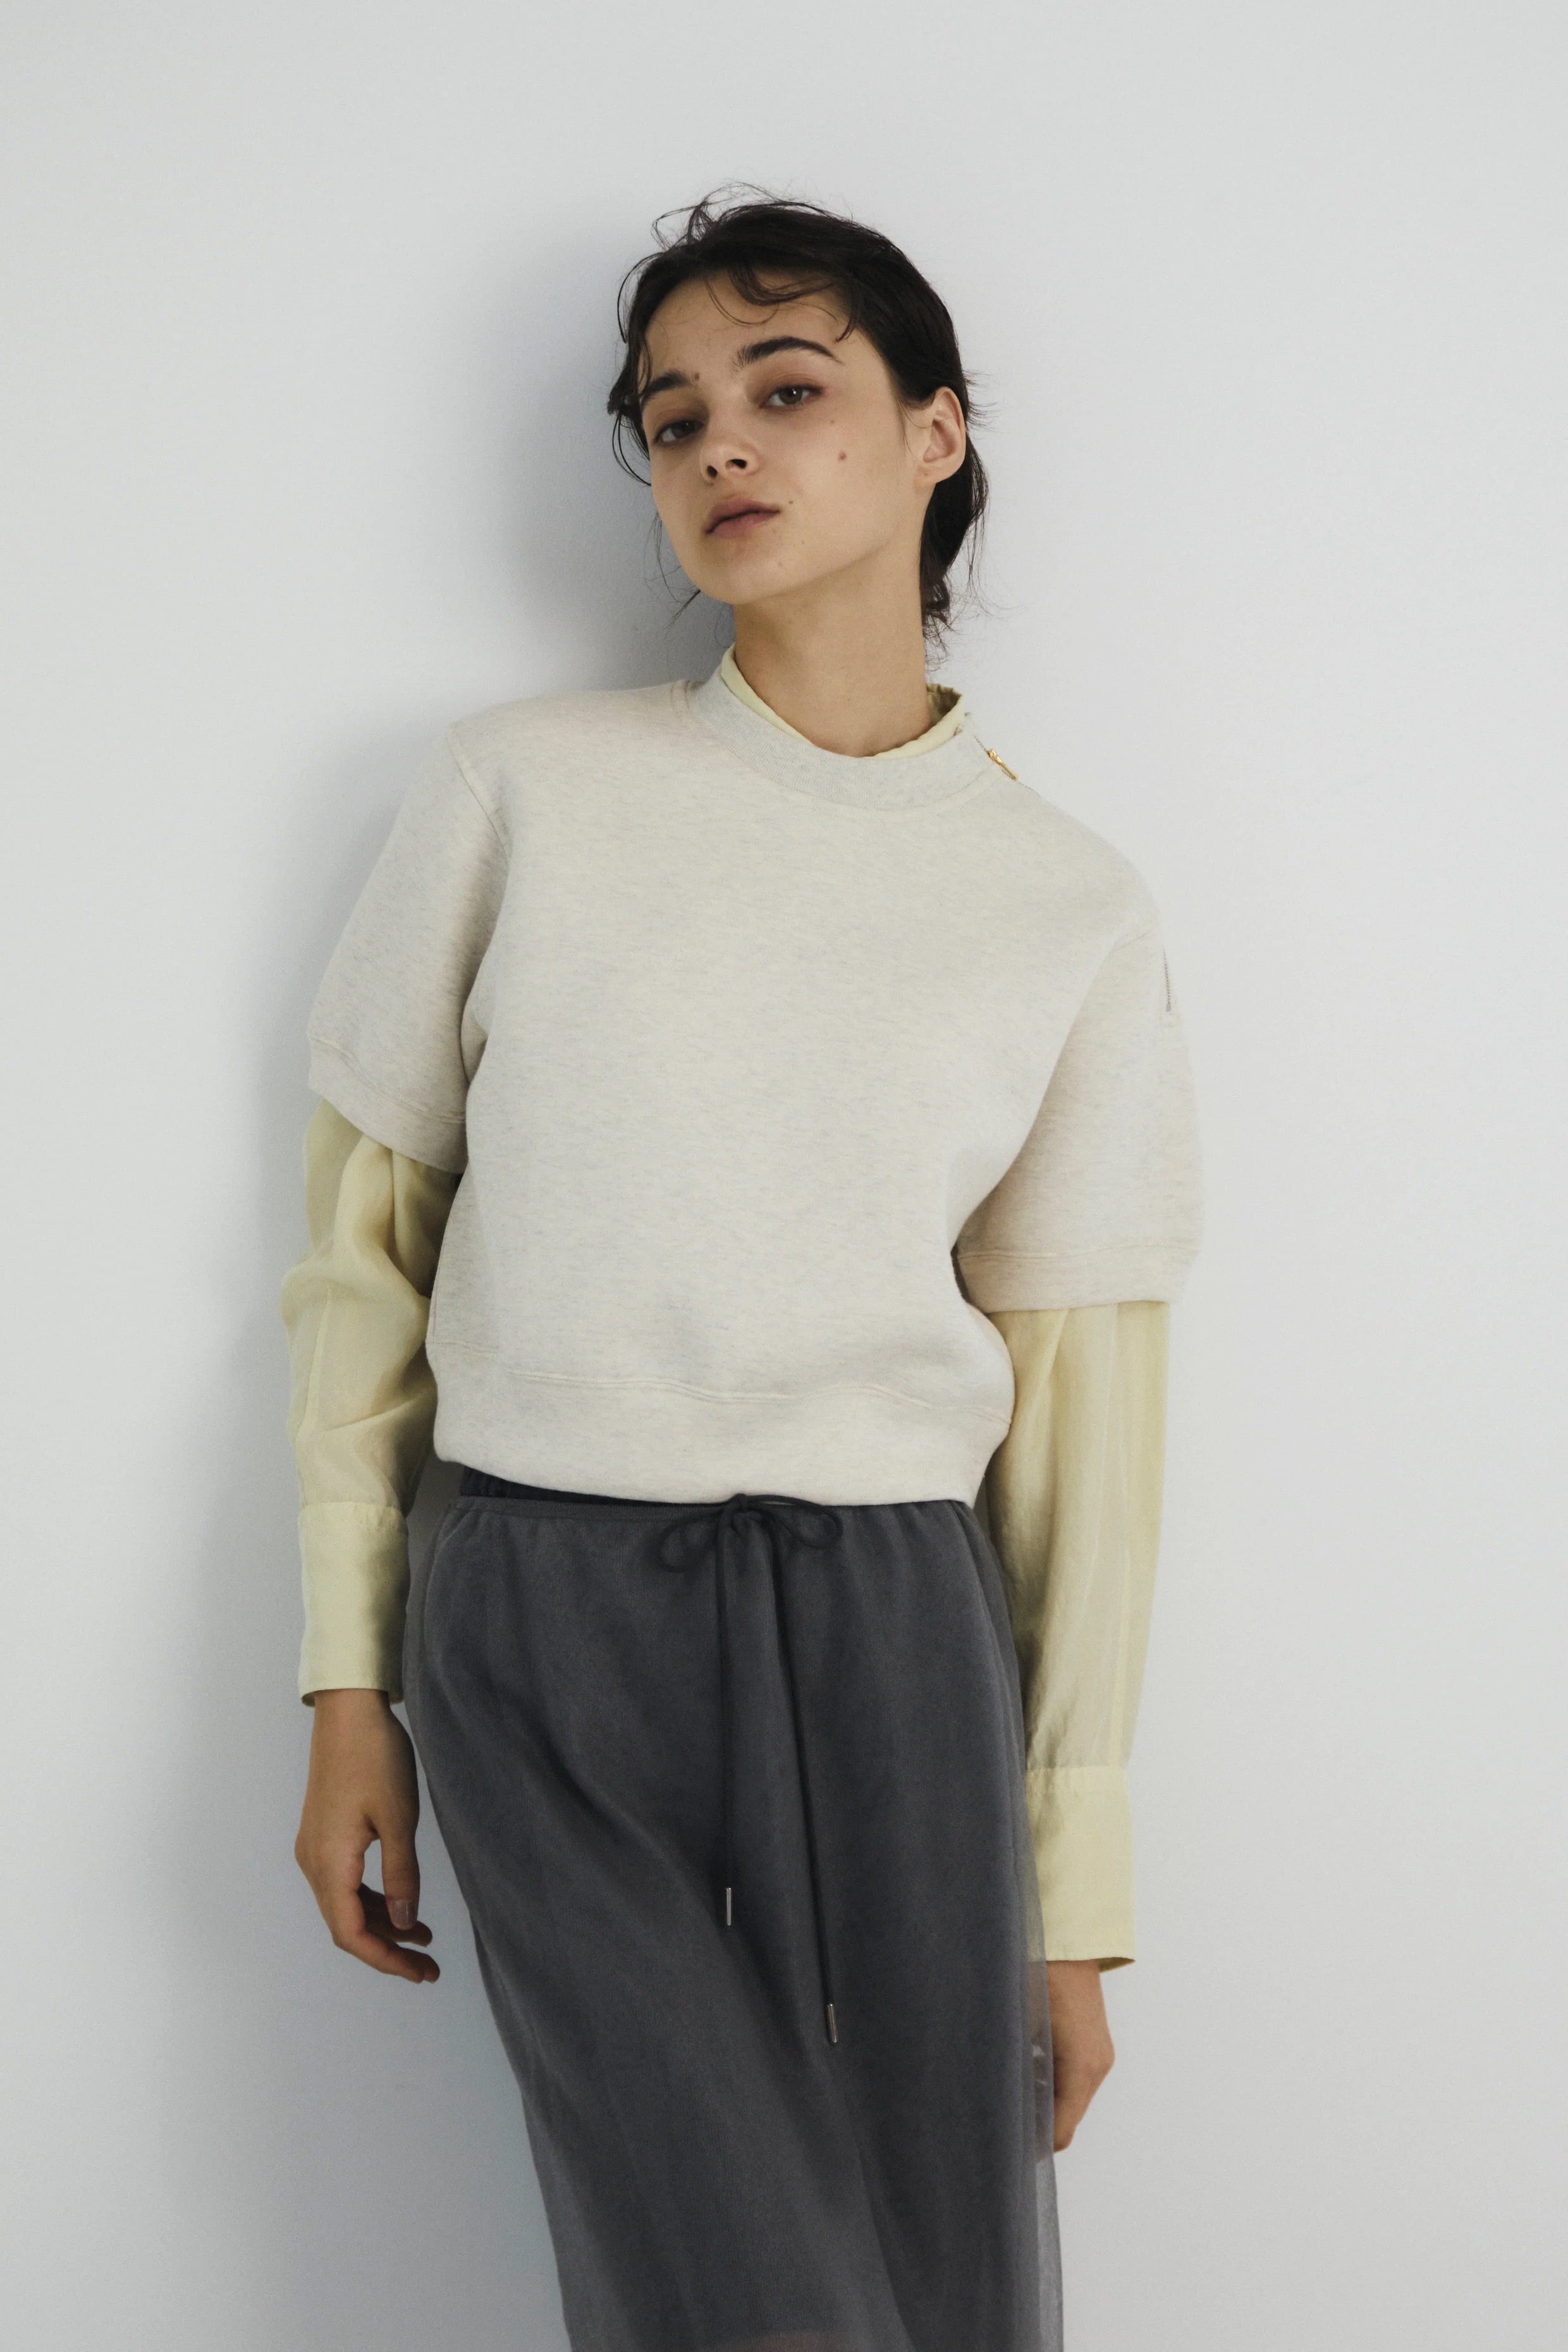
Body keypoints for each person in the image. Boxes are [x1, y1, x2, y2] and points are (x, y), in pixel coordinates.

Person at [281, 191, 1203, 2352]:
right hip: (546, 1610)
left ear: (938, 433)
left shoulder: (1063, 899)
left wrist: (1071, 1889)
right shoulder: (522, 789)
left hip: (900, 1629)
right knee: (739, 2295)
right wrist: (347, 1687)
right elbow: (360, 1269)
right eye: (674, 416)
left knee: (941, 2285)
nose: (721, 448)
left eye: (787, 390)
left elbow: (1088, 1422)